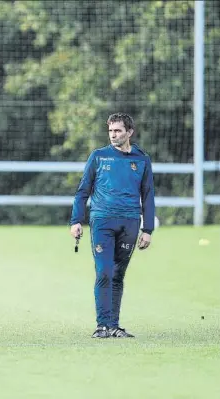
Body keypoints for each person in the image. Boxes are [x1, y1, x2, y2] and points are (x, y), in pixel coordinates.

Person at [70, 112, 155, 339]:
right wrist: (76, 220)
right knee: (104, 272)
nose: (113, 135)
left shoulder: (142, 159)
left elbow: (148, 196)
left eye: (117, 131)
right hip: (102, 221)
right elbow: (82, 191)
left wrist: (148, 230)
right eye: (110, 131)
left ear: (129, 132)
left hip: (130, 222)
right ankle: (102, 325)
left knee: (118, 275)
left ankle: (114, 325)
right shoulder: (99, 157)